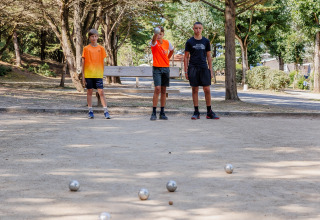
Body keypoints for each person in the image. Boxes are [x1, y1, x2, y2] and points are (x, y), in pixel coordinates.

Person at [184, 22, 219, 120]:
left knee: (207, 89)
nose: (197, 30)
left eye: (199, 28)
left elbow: (209, 56)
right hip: (193, 68)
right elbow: (186, 57)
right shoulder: (189, 42)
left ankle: (209, 112)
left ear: (202, 29)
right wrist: (186, 71)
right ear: (193, 29)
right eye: (196, 28)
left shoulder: (206, 41)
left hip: (204, 68)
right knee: (195, 89)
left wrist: (211, 70)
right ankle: (196, 112)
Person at [81, 29, 110, 119]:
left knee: (101, 92)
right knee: (89, 91)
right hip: (89, 74)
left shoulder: (101, 48)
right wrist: (83, 76)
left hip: (98, 74)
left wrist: (102, 73)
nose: (94, 38)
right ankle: (90, 110)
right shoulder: (86, 48)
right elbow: (83, 62)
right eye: (92, 36)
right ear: (89, 38)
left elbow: (103, 62)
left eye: (95, 36)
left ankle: (105, 111)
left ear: (97, 37)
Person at [150, 26, 174, 121]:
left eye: (160, 34)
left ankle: (162, 112)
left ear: (163, 34)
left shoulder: (167, 43)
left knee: (164, 90)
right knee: (157, 88)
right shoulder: (154, 43)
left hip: (166, 68)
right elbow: (153, 41)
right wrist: (155, 34)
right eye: (157, 34)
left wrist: (167, 58)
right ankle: (154, 112)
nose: (159, 35)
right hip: (157, 68)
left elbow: (172, 50)